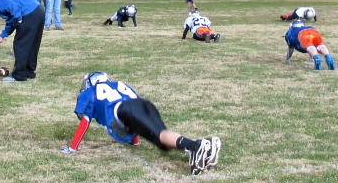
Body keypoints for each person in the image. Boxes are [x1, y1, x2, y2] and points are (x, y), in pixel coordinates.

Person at [60, 71, 222, 176]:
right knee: (161, 137)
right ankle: (196, 148)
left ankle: (196, 145)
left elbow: (85, 121)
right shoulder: (119, 84)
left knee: (160, 136)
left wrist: (72, 148)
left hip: (123, 111)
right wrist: (135, 141)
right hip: (141, 106)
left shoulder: (89, 92)